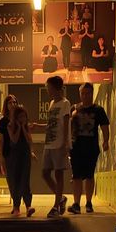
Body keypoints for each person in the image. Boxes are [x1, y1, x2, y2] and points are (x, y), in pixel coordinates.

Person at [68, 82, 109, 214]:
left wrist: (106, 141)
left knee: (90, 176)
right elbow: (68, 126)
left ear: (91, 94)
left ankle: (89, 203)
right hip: (76, 147)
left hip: (91, 148)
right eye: (83, 93)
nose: (85, 96)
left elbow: (104, 127)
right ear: (80, 94)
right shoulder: (74, 109)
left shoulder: (98, 110)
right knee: (76, 176)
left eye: (88, 93)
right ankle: (76, 204)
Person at [35, 75, 70, 218]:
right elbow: (52, 124)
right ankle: (61, 197)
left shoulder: (65, 103)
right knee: (45, 173)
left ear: (56, 88)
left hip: (59, 144)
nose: (47, 90)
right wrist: (38, 126)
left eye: (49, 88)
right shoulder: (51, 103)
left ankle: (56, 206)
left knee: (58, 174)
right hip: (48, 144)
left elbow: (66, 124)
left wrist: (65, 143)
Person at [7, 104, 35, 217]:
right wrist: (18, 127)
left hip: (25, 155)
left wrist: (24, 127)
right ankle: (16, 206)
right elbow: (14, 139)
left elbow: (29, 140)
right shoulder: (10, 125)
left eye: (24, 117)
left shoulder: (26, 126)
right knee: (15, 181)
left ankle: (28, 206)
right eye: (20, 117)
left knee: (25, 180)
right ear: (16, 117)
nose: (23, 119)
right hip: (14, 156)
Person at [0, 94, 18, 214]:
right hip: (8, 152)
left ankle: (21, 203)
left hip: (19, 152)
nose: (13, 104)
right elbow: (0, 140)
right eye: (10, 103)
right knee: (11, 179)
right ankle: (16, 205)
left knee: (20, 179)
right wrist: (1, 157)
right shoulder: (3, 121)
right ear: (6, 105)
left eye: (14, 102)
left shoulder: (20, 117)